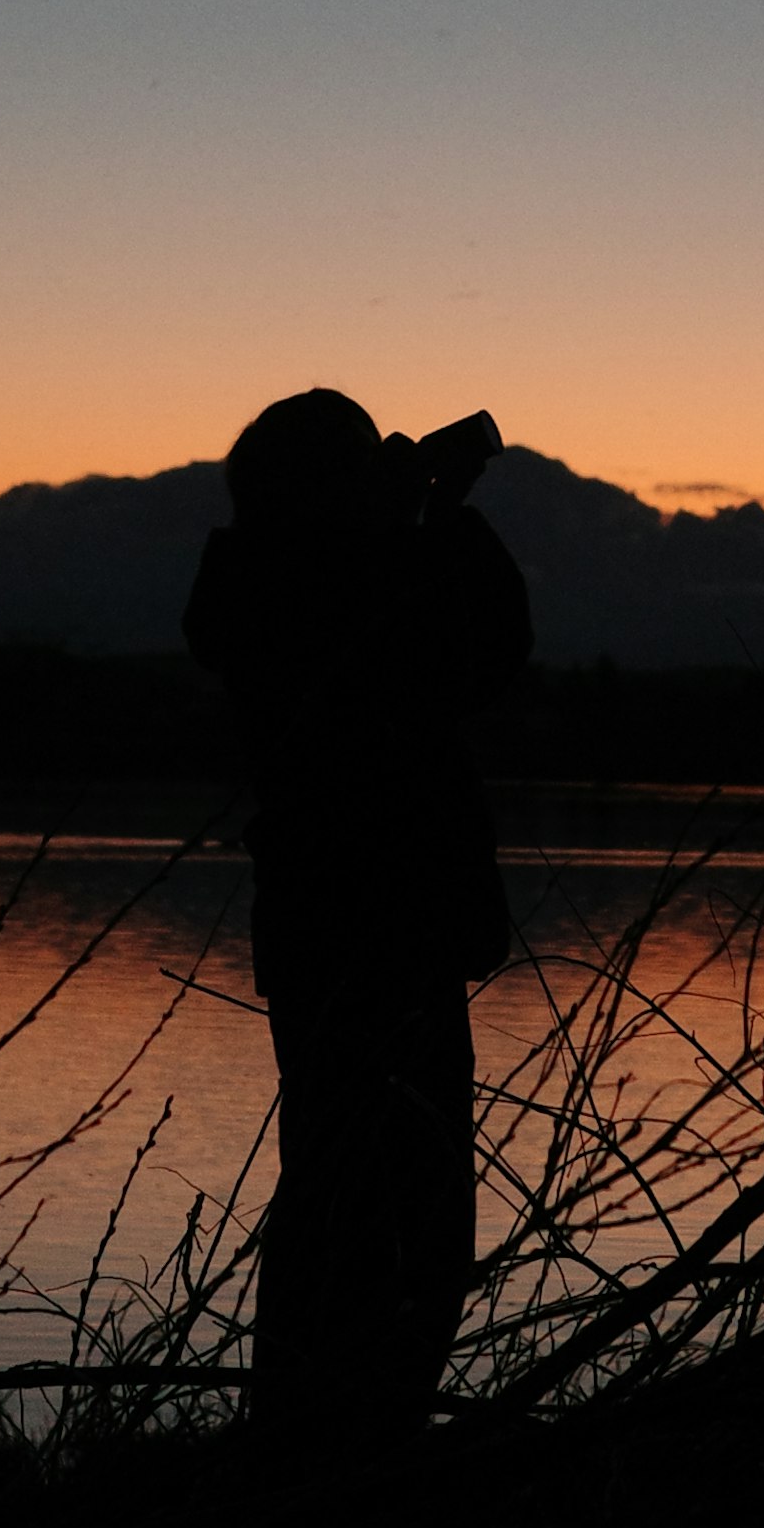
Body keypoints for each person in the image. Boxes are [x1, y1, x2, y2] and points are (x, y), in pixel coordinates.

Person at [183, 389, 533, 1436]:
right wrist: (430, 515)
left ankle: (321, 1427)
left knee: (341, 1191)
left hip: (343, 926)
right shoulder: (308, 587)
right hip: (377, 923)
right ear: (326, 490)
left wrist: (412, 516)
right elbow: (483, 648)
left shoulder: (273, 580)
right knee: (395, 1205)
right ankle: (344, 1433)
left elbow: (461, 651)